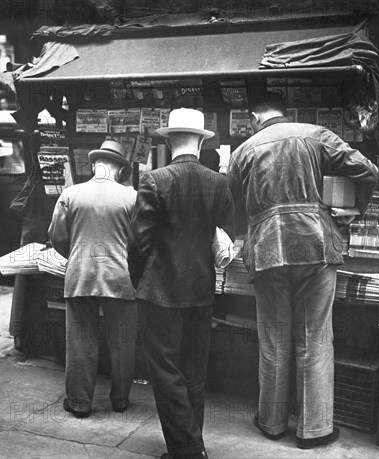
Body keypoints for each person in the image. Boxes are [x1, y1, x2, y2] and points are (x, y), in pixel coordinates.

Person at [226, 93, 379, 449]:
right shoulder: (316, 135)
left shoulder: (243, 151)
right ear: (285, 111)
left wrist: (244, 232)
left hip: (266, 251)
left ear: (254, 117)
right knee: (315, 338)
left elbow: (229, 202)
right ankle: (315, 429)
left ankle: (272, 422)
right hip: (316, 246)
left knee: (274, 338)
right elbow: (368, 170)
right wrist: (356, 208)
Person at [128, 108, 235, 459]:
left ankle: (188, 451)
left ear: (169, 139)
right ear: (201, 141)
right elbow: (224, 232)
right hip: (201, 290)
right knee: (193, 373)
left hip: (160, 291)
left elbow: (138, 243)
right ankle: (190, 444)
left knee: (165, 373)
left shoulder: (155, 180)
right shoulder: (218, 182)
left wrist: (138, 281)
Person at [49, 139, 138, 418]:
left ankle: (79, 403)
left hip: (80, 275)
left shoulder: (71, 194)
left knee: (80, 340)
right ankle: (120, 400)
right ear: (121, 169)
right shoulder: (132, 197)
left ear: (93, 165)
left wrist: (77, 255)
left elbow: (57, 237)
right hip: (119, 277)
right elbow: (139, 242)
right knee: (122, 341)